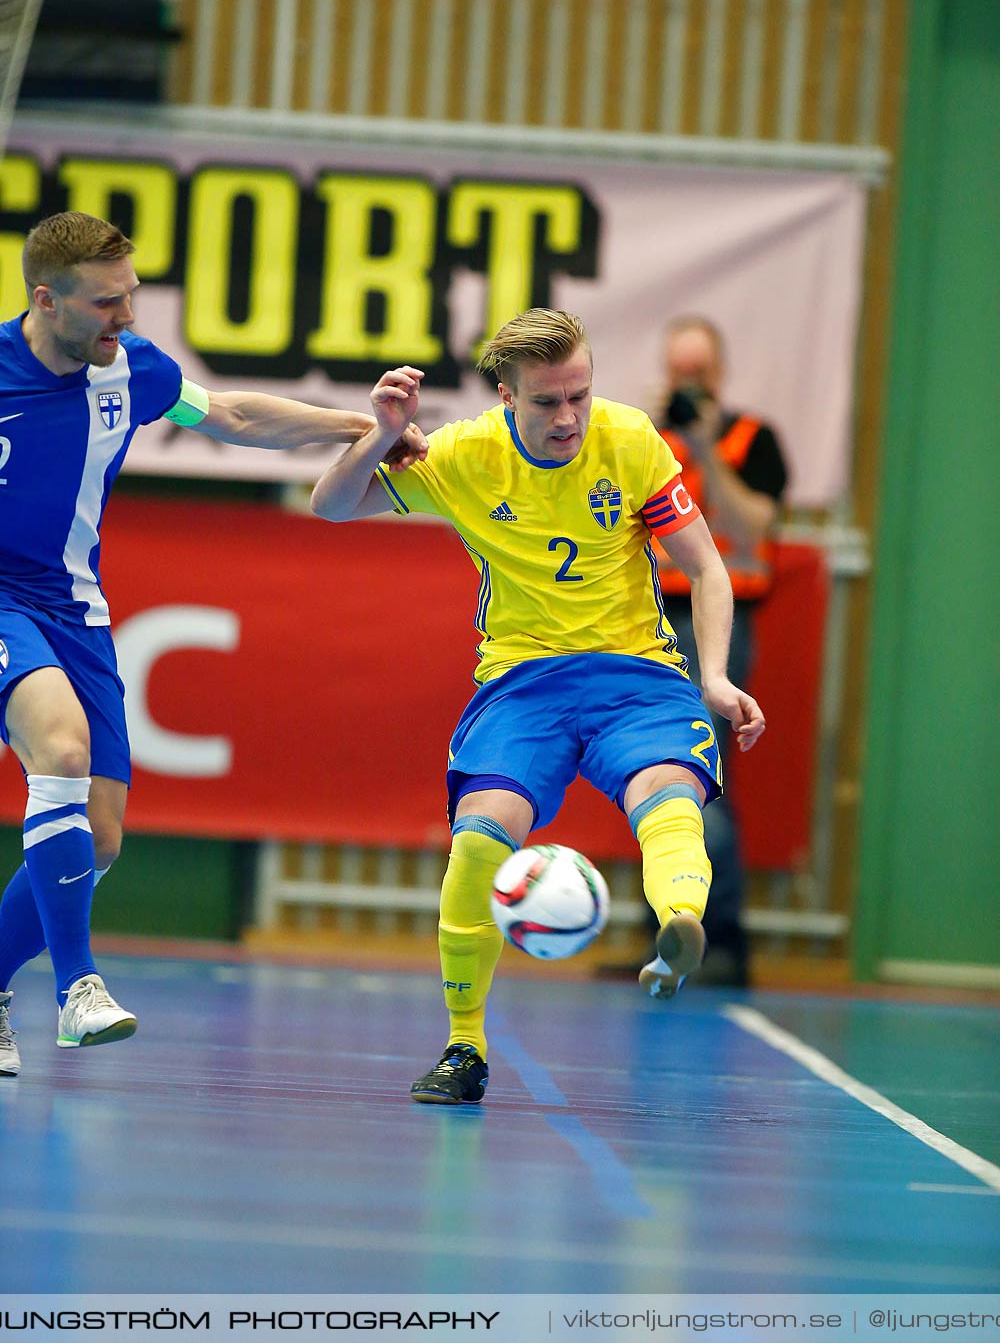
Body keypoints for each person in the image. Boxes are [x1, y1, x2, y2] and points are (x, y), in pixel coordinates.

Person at [0, 211, 425, 1077]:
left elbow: (232, 414)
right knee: (63, 748)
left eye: (133, 296)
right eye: (106, 303)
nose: (126, 317)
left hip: (74, 607)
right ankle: (78, 989)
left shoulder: (131, 371)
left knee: (103, 835)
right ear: (45, 300)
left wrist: (362, 428)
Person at [310, 307, 765, 1105]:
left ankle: (678, 929)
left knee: (668, 795)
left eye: (580, 397)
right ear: (504, 394)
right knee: (479, 838)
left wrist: (716, 676)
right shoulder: (463, 454)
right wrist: (382, 434)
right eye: (548, 402)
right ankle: (464, 1047)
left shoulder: (628, 441)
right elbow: (332, 504)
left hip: (639, 674)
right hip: (524, 683)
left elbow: (709, 567)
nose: (569, 419)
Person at [653, 315, 788, 987]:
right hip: (647, 621)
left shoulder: (751, 440)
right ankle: (671, 934)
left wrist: (706, 452)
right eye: (679, 374)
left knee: (699, 774)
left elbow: (751, 525)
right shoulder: (644, 441)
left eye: (698, 373)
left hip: (717, 623)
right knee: (653, 774)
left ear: (719, 373)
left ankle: (721, 939)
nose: (688, 385)